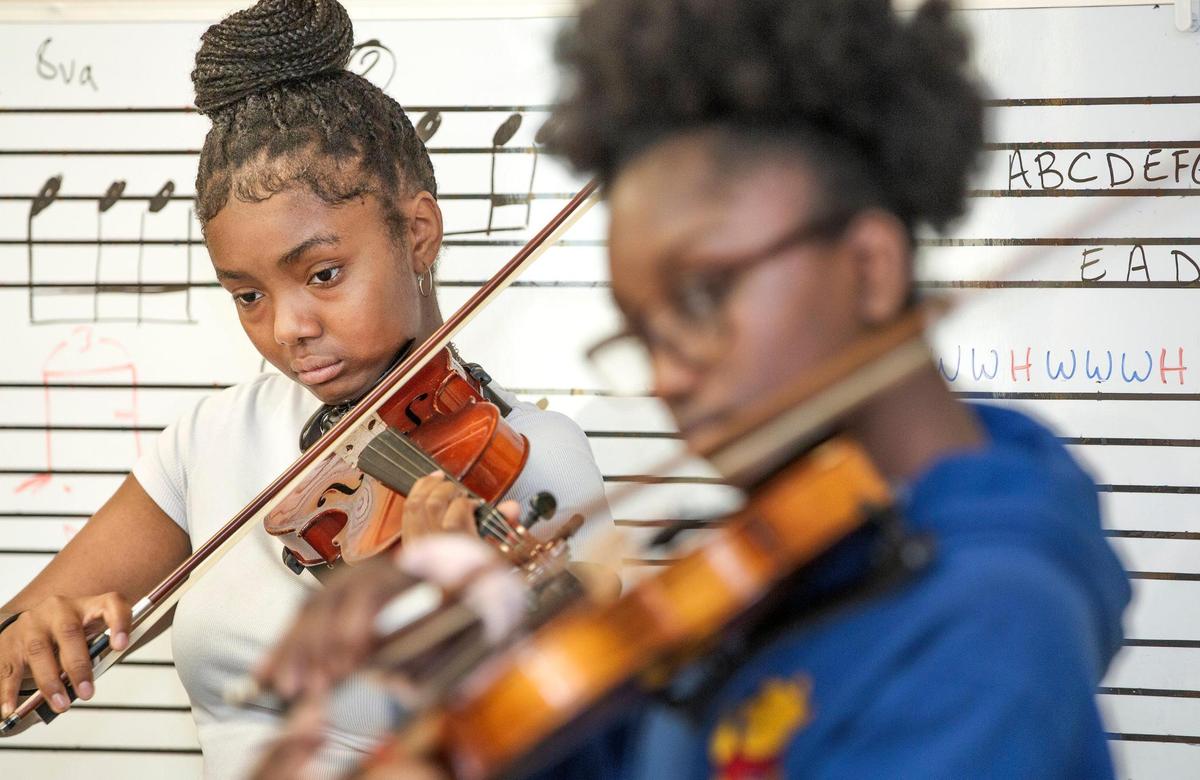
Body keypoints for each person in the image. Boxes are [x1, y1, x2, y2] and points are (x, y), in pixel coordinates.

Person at [254, 0, 1133, 777]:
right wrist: (466, 641)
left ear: (868, 267)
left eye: (704, 297)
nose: (670, 373)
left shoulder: (984, 625)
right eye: (643, 335)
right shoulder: (796, 559)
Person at [0, 0, 610, 777]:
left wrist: (457, 621)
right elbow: (7, 670)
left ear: (417, 231)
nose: (286, 328)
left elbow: (584, 742)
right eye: (247, 295)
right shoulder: (212, 436)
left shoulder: (536, 460)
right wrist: (26, 637)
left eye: (323, 275)